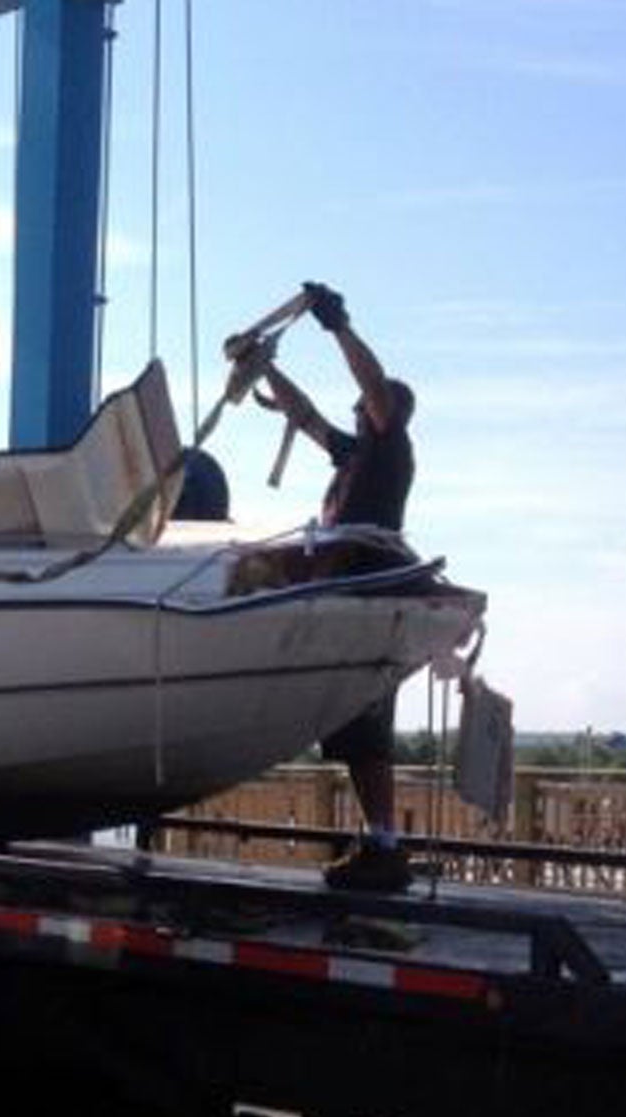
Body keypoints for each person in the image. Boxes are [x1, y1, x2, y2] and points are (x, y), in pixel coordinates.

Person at [258, 281, 419, 894]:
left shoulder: (389, 450)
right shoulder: (355, 455)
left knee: (365, 729)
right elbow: (304, 417)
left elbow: (373, 387)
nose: (358, 411)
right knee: (354, 732)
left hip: (368, 601)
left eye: (368, 407)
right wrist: (264, 368)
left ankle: (384, 846)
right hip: (349, 598)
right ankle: (379, 845)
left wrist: (339, 327)